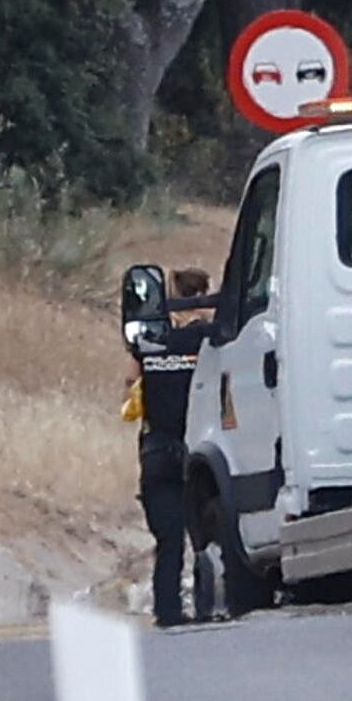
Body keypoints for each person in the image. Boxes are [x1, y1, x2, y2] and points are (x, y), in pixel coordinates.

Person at [123, 267, 214, 626]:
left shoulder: (149, 342)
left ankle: (168, 611)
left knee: (169, 540)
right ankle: (213, 604)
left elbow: (130, 380)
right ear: (206, 293)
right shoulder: (210, 340)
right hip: (202, 449)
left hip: (158, 449)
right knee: (208, 535)